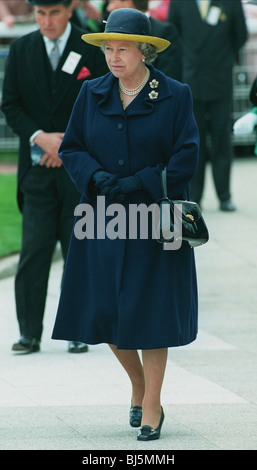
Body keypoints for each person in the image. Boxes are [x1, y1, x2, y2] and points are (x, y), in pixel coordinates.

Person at [52, 8, 199, 440]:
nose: (113, 57)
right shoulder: (91, 92)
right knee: (104, 307)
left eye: (123, 48)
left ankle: (151, 402)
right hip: (103, 215)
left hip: (156, 218)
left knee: (151, 310)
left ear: (145, 51)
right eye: (109, 48)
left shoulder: (176, 94)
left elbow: (187, 155)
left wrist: (143, 180)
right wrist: (96, 179)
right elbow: (73, 147)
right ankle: (137, 383)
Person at [1, 0, 108, 354]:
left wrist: (67, 146)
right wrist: (40, 138)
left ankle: (79, 328)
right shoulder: (21, 49)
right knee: (34, 251)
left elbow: (100, 103)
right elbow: (11, 104)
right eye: (41, 14)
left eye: (55, 13)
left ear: (68, 11)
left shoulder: (91, 47)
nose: (47, 21)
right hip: (35, 170)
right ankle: (29, 333)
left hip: (77, 170)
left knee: (78, 249)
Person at [168, 0, 248, 211]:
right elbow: (173, 35)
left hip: (220, 77)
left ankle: (224, 195)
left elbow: (240, 34)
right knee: (195, 142)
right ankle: (194, 196)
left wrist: (224, 58)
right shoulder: (179, 3)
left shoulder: (230, 2)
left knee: (222, 139)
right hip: (191, 79)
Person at [105, 0, 182, 80]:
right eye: (109, 48)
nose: (108, 8)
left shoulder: (164, 31)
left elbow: (170, 74)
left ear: (128, 3)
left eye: (112, 2)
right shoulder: (107, 28)